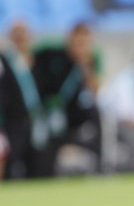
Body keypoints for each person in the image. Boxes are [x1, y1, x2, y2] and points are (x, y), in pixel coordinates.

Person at [30, 22, 104, 176]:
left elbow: (95, 89)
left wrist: (83, 64)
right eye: (78, 41)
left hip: (76, 114)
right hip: (53, 111)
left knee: (97, 116)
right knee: (46, 149)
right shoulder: (53, 54)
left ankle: (100, 167)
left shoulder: (91, 59)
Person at [0, 22, 47, 180]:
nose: (20, 37)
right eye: (16, 33)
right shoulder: (6, 60)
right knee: (12, 162)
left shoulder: (37, 60)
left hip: (35, 119)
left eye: (23, 32)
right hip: (13, 122)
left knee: (37, 162)